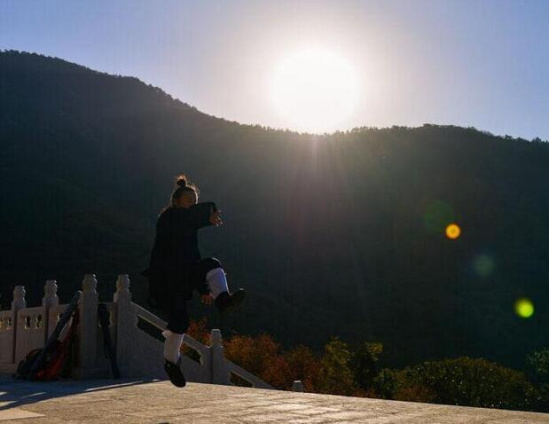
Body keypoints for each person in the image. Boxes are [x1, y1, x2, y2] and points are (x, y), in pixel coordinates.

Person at [141, 174, 246, 387]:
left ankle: (223, 299)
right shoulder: (168, 218)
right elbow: (188, 217)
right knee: (179, 320)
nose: (192, 204)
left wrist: (204, 289)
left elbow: (193, 259)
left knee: (212, 264)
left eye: (195, 201)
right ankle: (171, 362)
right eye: (189, 200)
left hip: (184, 275)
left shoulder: (189, 227)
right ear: (177, 201)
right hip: (165, 279)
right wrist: (208, 212)